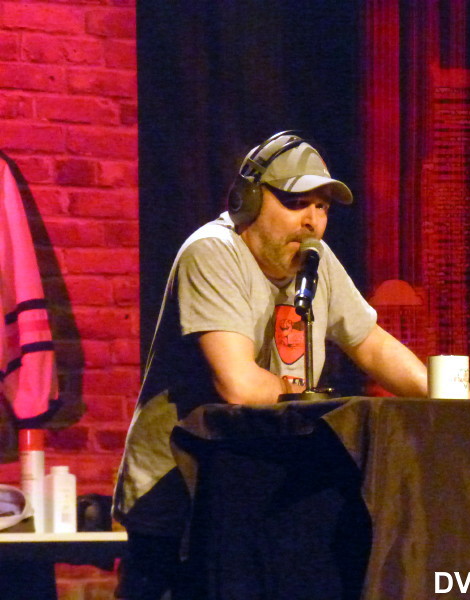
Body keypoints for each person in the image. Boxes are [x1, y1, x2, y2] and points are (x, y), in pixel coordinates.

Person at [112, 132, 429, 599]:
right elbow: (239, 385)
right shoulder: (212, 251)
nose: (313, 221)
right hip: (180, 500)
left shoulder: (315, 259)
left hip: (260, 496)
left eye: (322, 207)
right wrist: (329, 407)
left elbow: (372, 345)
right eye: (297, 203)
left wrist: (450, 397)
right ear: (248, 201)